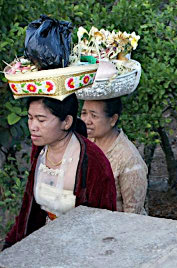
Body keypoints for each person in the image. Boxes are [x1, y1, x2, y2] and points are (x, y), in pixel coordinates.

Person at [3, 94, 116, 250]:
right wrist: (11, 245)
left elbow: (103, 220)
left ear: (67, 122)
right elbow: (28, 206)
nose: (33, 126)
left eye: (41, 120)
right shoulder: (40, 150)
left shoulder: (92, 161)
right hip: (43, 240)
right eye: (30, 118)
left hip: (80, 247)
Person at [81, 97, 148, 214]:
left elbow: (132, 213)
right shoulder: (85, 143)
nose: (87, 121)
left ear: (113, 119)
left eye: (94, 116)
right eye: (84, 113)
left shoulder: (129, 159)